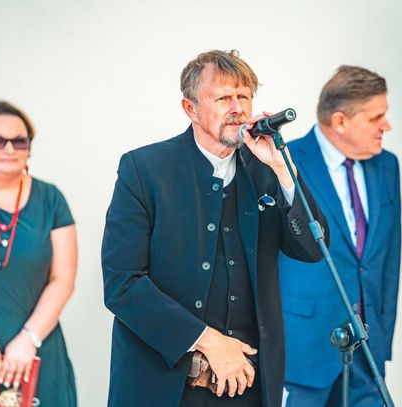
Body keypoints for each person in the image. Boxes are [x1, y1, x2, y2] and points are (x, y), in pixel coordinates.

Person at [101, 49, 329, 407]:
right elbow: (122, 284)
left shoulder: (266, 168)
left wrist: (284, 171)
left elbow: (313, 248)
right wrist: (207, 340)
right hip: (164, 388)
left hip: (249, 387)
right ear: (190, 108)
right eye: (223, 98)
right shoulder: (144, 170)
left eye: (244, 97)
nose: (237, 108)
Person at [279, 66, 401, 407]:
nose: (386, 126)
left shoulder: (387, 166)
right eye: (376, 117)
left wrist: (382, 333)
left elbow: (389, 258)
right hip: (303, 351)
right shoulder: (282, 162)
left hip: (368, 351)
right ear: (341, 121)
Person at [0, 101, 78, 406]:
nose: (9, 149)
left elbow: (63, 279)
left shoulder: (51, 199)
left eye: (20, 141)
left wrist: (29, 340)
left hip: (34, 352)